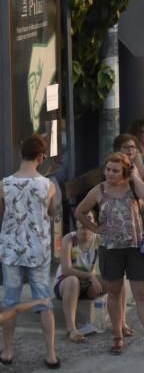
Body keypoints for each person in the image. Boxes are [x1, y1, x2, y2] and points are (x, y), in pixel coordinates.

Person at [74, 151, 144, 356]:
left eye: (116, 170)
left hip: (135, 248)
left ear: (125, 171)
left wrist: (134, 176)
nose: (110, 174)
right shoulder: (99, 190)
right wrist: (94, 227)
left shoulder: (132, 186)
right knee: (115, 293)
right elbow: (80, 212)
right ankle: (117, 337)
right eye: (108, 169)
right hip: (110, 250)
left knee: (141, 294)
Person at [0, 135, 60, 368]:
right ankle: (51, 354)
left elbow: (2, 215)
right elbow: (52, 213)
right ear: (41, 157)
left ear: (20, 153)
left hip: (11, 249)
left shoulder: (4, 184)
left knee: (10, 299)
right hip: (38, 250)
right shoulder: (49, 186)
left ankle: (7, 351)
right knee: (43, 300)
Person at [54, 219, 104, 344]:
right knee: (73, 281)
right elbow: (66, 270)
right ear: (77, 224)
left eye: (89, 219)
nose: (85, 229)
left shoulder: (98, 239)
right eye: (82, 226)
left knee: (113, 280)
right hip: (65, 284)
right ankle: (71, 329)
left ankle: (121, 324)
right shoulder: (69, 239)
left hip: (87, 285)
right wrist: (90, 276)